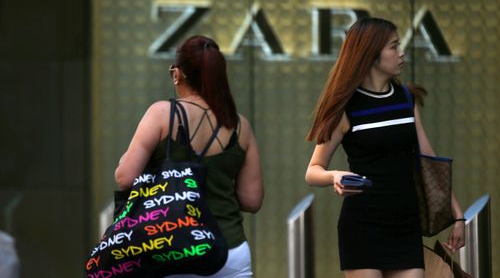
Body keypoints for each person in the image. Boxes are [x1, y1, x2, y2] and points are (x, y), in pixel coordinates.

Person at [304, 17, 465, 278]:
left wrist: (457, 215)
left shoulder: (405, 98)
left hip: (405, 223)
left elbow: (429, 161)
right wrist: (334, 176)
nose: (401, 52)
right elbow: (312, 171)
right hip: (363, 226)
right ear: (371, 54)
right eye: (394, 46)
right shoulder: (345, 108)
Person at [114, 35, 264, 278]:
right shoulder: (240, 126)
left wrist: (125, 160)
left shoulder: (161, 114)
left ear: (178, 74)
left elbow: (124, 178)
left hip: (174, 248)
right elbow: (251, 200)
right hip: (230, 251)